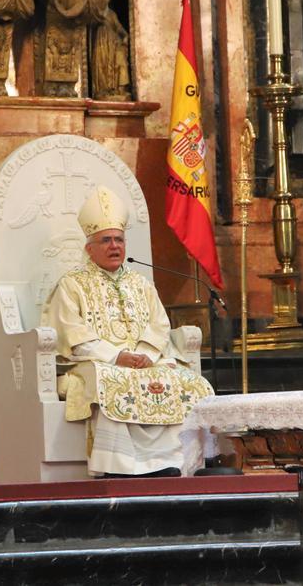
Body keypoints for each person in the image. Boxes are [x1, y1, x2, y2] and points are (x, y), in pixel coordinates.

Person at [41, 186, 213, 477]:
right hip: (98, 362)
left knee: (184, 381)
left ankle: (176, 463)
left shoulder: (140, 283)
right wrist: (116, 356)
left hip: (145, 360)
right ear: (89, 248)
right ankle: (119, 467)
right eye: (105, 240)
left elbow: (159, 325)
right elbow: (71, 333)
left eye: (119, 239)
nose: (114, 246)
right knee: (112, 382)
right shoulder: (71, 284)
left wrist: (145, 354)